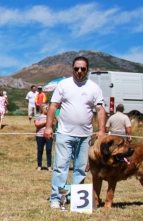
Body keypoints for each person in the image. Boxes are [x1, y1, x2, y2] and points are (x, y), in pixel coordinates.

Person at [45, 56, 106, 209]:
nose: (79, 71)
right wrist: (48, 127)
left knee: (80, 168)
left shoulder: (94, 88)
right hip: (64, 133)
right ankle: (57, 198)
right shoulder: (63, 85)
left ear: (87, 70)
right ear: (72, 69)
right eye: (76, 68)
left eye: (83, 69)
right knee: (61, 167)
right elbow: (53, 106)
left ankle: (75, 199)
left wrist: (102, 130)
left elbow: (100, 110)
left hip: (85, 136)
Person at [34, 103, 52, 171]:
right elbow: (37, 124)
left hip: (49, 135)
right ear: (42, 108)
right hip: (40, 135)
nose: (48, 109)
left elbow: (52, 124)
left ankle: (49, 166)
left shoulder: (50, 116)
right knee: (40, 150)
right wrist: (46, 122)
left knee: (49, 150)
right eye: (47, 108)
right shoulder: (38, 116)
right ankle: (39, 165)